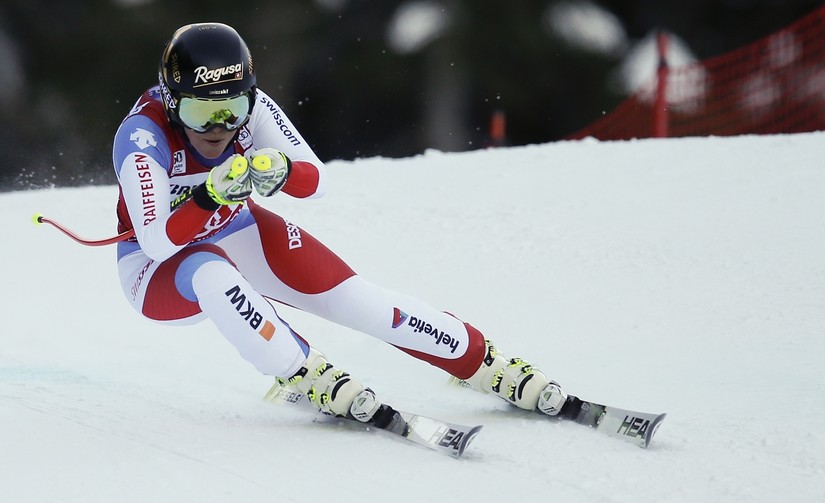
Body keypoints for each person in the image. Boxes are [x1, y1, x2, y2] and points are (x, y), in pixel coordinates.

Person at [113, 22, 568, 424]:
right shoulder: (141, 136)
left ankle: (483, 361)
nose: (218, 127)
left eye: (230, 109)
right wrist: (209, 195)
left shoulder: (253, 109)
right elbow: (156, 240)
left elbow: (317, 180)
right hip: (158, 270)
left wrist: (285, 173)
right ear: (172, 104)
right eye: (199, 112)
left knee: (358, 301)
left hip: (236, 229)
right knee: (212, 272)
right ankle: (300, 370)